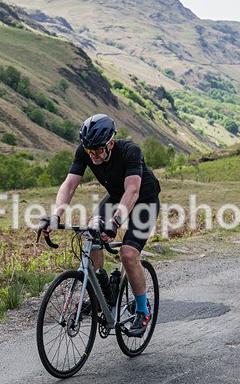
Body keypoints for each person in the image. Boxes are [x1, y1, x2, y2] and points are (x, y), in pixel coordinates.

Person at [45, 114, 161, 336]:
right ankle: (103, 289)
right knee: (91, 230)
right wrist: (55, 215)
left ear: (110, 143)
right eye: (89, 151)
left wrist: (115, 221)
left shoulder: (130, 151)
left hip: (144, 200)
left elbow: (132, 191)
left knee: (128, 254)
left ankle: (142, 310)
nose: (93, 156)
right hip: (117, 196)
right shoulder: (86, 151)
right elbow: (69, 185)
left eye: (98, 150)